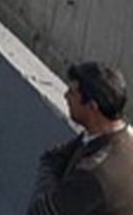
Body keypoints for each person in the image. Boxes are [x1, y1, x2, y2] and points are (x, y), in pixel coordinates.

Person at [28, 62, 133, 215]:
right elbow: (54, 156)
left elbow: (41, 211)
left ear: (92, 107)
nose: (65, 96)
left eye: (72, 93)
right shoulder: (109, 135)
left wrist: (49, 187)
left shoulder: (95, 173)